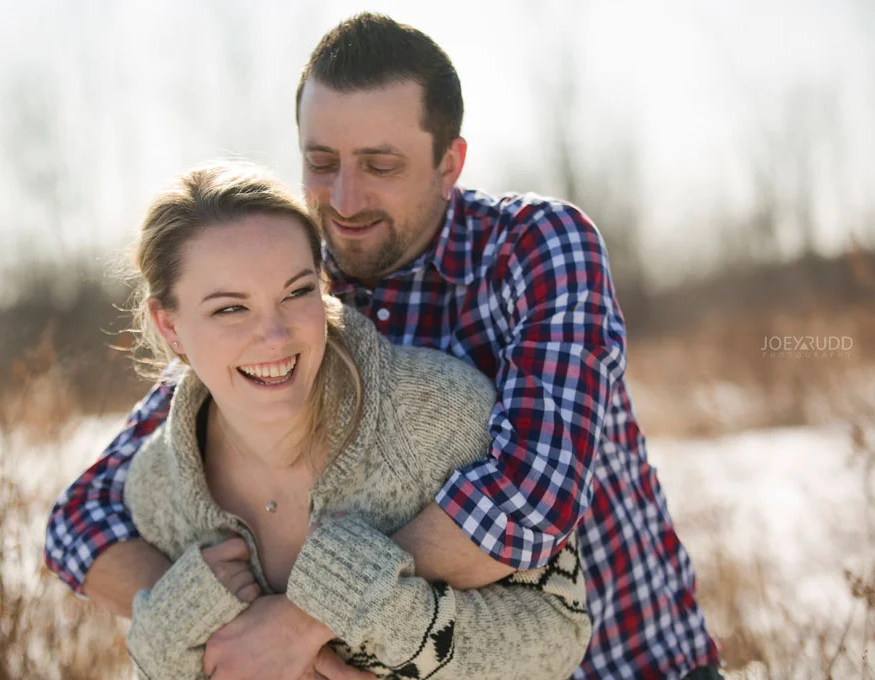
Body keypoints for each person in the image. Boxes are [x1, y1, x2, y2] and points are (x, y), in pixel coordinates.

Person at [45, 12, 723, 680]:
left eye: (380, 164)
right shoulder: (291, 301)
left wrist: (303, 623)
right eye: (322, 161)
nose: (344, 198)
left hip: (625, 661)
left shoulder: (535, 247)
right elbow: (81, 522)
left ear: (448, 163)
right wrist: (220, 626)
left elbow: (528, 498)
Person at [116, 163, 590, 680]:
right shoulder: (156, 485)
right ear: (169, 326)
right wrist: (163, 651)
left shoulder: (433, 413)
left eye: (296, 292)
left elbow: (561, 631)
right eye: (231, 309)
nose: (275, 336)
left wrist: (376, 610)